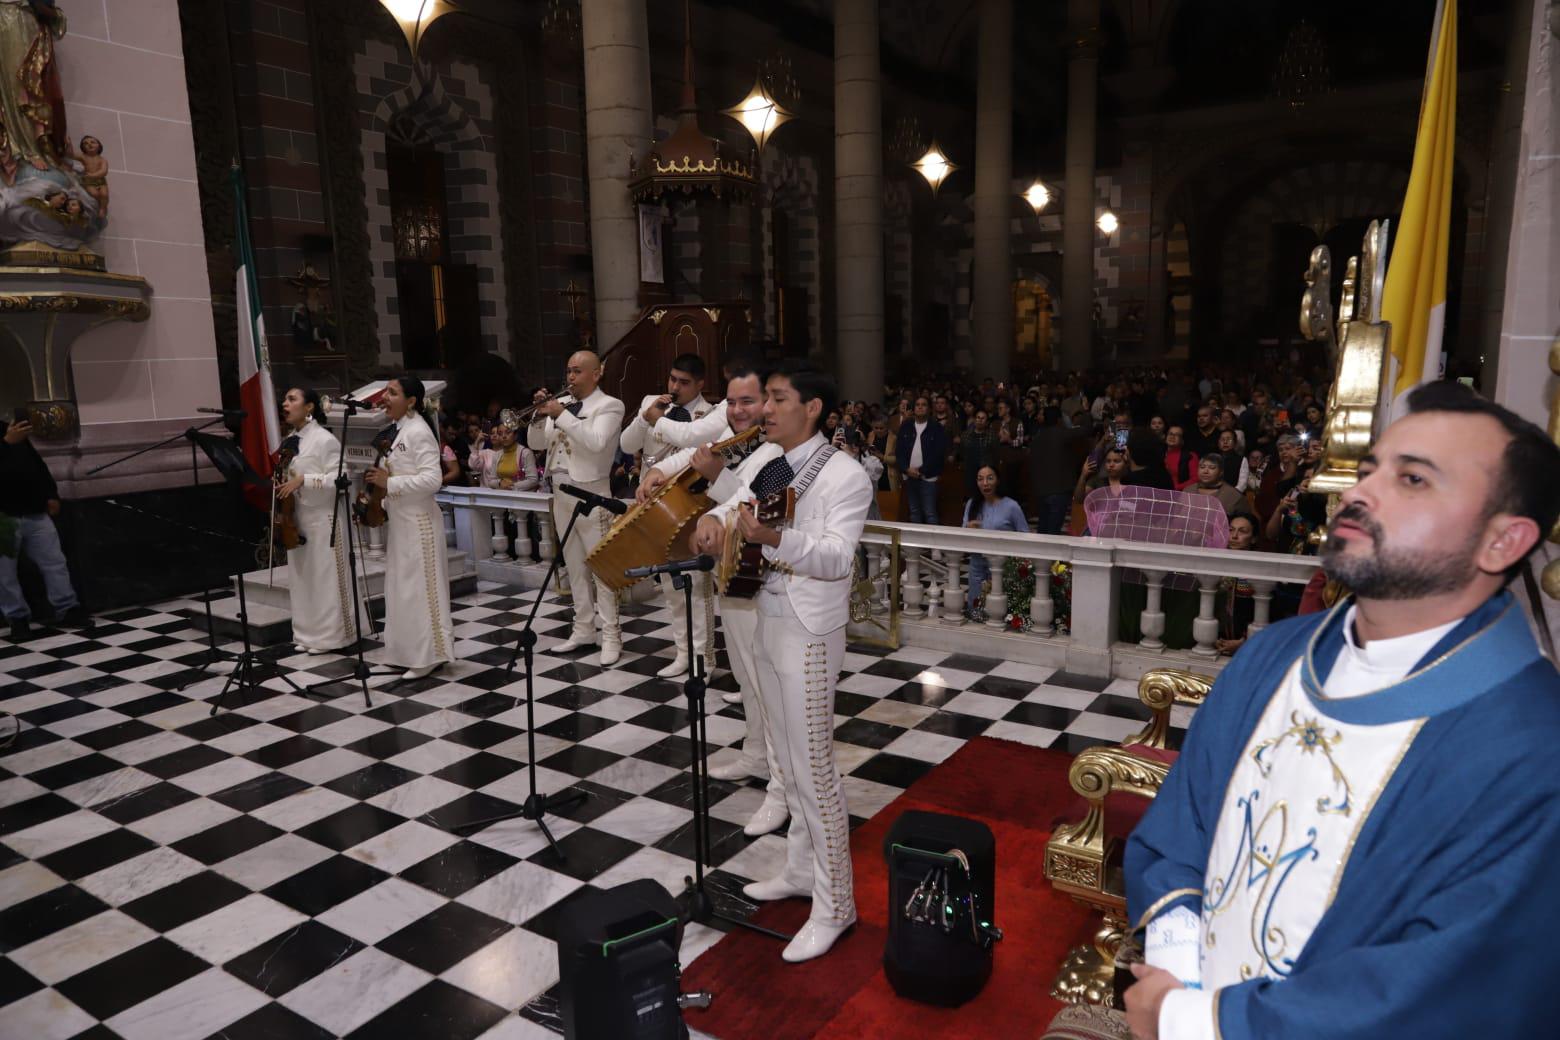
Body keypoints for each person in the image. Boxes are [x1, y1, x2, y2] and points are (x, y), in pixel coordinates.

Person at [1123, 381, 1560, 1040]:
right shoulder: (1273, 655)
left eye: (1412, 479)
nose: (1359, 494)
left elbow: (1452, 993)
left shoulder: (1534, 753)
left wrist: (1190, 1022)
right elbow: (1185, 823)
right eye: (1368, 469)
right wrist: (1177, 967)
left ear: (1501, 542)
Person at [693, 360, 873, 964]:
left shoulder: (846, 476)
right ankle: (800, 871)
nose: (764, 409)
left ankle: (836, 903)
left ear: (812, 408)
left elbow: (836, 559)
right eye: (764, 398)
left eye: (776, 398)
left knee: (815, 769)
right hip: (766, 619)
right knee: (787, 763)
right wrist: (711, 523)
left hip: (811, 633)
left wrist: (773, 540)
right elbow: (733, 507)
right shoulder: (770, 465)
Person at [646, 367, 788, 836]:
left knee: (768, 680)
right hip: (733, 574)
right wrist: (657, 470)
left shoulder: (774, 451)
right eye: (731, 401)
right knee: (745, 671)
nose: (738, 410)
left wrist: (716, 478)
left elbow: (746, 506)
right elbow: (688, 453)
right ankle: (754, 752)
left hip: (764, 578)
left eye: (748, 401)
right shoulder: (733, 439)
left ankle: (782, 784)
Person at [620, 353, 718, 677]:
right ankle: (682, 652)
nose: (675, 387)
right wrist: (646, 418)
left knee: (695, 583)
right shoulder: (653, 404)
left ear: (700, 384)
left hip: (688, 505)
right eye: (672, 379)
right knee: (669, 582)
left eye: (684, 382)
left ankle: (703, 658)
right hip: (653, 503)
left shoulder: (710, 414)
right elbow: (626, 444)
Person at [528, 351, 626, 665]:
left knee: (601, 568)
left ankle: (611, 635)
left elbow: (596, 442)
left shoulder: (609, 405)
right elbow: (537, 444)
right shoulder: (563, 407)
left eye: (578, 371)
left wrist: (560, 414)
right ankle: (583, 628)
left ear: (596, 373)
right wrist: (539, 415)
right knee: (573, 566)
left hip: (591, 494)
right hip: (561, 494)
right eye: (568, 371)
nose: (571, 377)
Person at [362, 376, 455, 680]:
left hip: (420, 524)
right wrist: (380, 500)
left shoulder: (419, 432)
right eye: (385, 392)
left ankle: (430, 654)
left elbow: (432, 480)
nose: (385, 397)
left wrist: (389, 483)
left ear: (412, 400)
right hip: (401, 522)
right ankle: (402, 651)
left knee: (422, 589)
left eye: (392, 392)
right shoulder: (397, 430)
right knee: (400, 590)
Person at [272, 388, 363, 655]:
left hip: (324, 519)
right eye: (285, 399)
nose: (285, 403)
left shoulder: (324, 439)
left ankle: (333, 636)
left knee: (326, 580)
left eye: (292, 399)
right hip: (296, 518)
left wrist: (304, 480)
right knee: (303, 580)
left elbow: (342, 476)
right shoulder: (291, 439)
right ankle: (307, 634)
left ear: (309, 407)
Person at [0, 417, 88, 641]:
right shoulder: (9, 436)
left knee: (54, 562)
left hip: (34, 510)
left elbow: (35, 464)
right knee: (4, 574)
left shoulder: (7, 427)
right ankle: (17, 619)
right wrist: (6, 443)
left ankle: (68, 608)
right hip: (3, 517)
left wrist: (50, 493)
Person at [962, 465, 1028, 614]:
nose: (985, 483)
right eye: (980, 479)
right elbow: (962, 532)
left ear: (997, 480)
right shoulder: (972, 504)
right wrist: (969, 528)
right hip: (977, 564)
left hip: (1002, 565)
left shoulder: (1011, 506)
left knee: (999, 611)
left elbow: (1025, 535)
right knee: (975, 608)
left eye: (990, 478)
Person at [894, 396, 949, 525]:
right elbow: (899, 451)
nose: (920, 407)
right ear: (913, 409)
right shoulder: (906, 426)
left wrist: (920, 471)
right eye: (917, 404)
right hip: (909, 476)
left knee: (930, 512)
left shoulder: (936, 428)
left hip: (928, 477)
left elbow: (938, 454)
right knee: (914, 512)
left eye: (923, 404)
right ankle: (915, 545)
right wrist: (906, 469)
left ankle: (933, 545)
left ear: (929, 409)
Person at [1190, 454, 1247, 518]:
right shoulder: (1188, 490)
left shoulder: (1234, 495)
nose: (1205, 471)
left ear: (1221, 472)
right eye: (1202, 467)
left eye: (1212, 468)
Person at [1164, 425, 1199, 490]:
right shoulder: (1158, 453)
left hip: (1180, 493)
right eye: (1170, 433)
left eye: (1177, 435)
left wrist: (1175, 488)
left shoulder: (1190, 456)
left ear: (1182, 440)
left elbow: (1195, 479)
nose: (1172, 436)